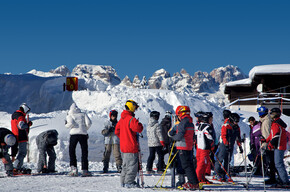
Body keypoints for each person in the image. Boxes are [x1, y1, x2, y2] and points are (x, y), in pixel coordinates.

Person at [168, 106, 199, 190]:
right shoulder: (190, 122)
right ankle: (195, 182)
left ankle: (192, 183)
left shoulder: (183, 123)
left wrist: (173, 137)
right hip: (189, 146)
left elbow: (179, 135)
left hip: (182, 146)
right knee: (190, 165)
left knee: (186, 166)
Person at [115, 100, 143, 188]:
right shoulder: (131, 119)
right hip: (131, 146)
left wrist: (123, 138)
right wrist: (140, 124)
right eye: (135, 108)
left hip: (123, 146)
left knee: (125, 165)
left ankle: (123, 182)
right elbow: (139, 128)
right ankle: (129, 182)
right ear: (131, 107)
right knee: (132, 165)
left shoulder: (122, 119)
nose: (135, 110)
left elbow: (117, 131)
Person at [261, 108, 289, 187]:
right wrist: (266, 140)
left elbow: (276, 136)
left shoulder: (276, 124)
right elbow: (272, 135)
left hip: (279, 146)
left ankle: (285, 182)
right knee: (278, 164)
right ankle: (283, 180)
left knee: (279, 164)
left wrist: (271, 143)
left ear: (276, 114)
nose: (270, 115)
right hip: (278, 145)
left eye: (272, 114)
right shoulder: (275, 123)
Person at [65, 103, 92, 177]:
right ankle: (85, 170)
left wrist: (66, 125)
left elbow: (70, 123)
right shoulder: (83, 114)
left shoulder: (70, 115)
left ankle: (74, 169)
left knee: (72, 151)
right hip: (83, 134)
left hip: (73, 134)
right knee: (84, 151)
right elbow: (89, 123)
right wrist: (84, 129)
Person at [213, 109, 240, 182]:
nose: (236, 123)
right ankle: (217, 174)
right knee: (220, 159)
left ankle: (226, 174)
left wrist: (239, 145)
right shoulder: (226, 126)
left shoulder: (236, 127)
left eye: (237, 122)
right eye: (235, 121)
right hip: (224, 145)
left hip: (231, 145)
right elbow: (223, 136)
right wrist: (226, 144)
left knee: (228, 160)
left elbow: (238, 137)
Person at [11, 103, 32, 173]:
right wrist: (28, 124)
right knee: (22, 153)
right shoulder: (21, 116)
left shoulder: (15, 115)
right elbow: (21, 126)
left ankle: (17, 166)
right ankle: (16, 167)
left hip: (15, 135)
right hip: (21, 137)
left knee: (20, 153)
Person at [257, 106, 276, 184]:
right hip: (267, 142)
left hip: (268, 144)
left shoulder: (266, 121)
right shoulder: (265, 120)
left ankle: (273, 178)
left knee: (271, 161)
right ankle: (272, 177)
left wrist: (265, 143)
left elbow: (267, 133)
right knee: (270, 161)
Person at [195, 112, 214, 184]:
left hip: (199, 148)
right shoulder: (207, 127)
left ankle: (201, 177)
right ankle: (198, 178)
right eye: (210, 119)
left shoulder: (200, 125)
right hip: (204, 149)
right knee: (202, 164)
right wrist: (212, 145)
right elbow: (209, 137)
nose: (211, 120)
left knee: (201, 163)